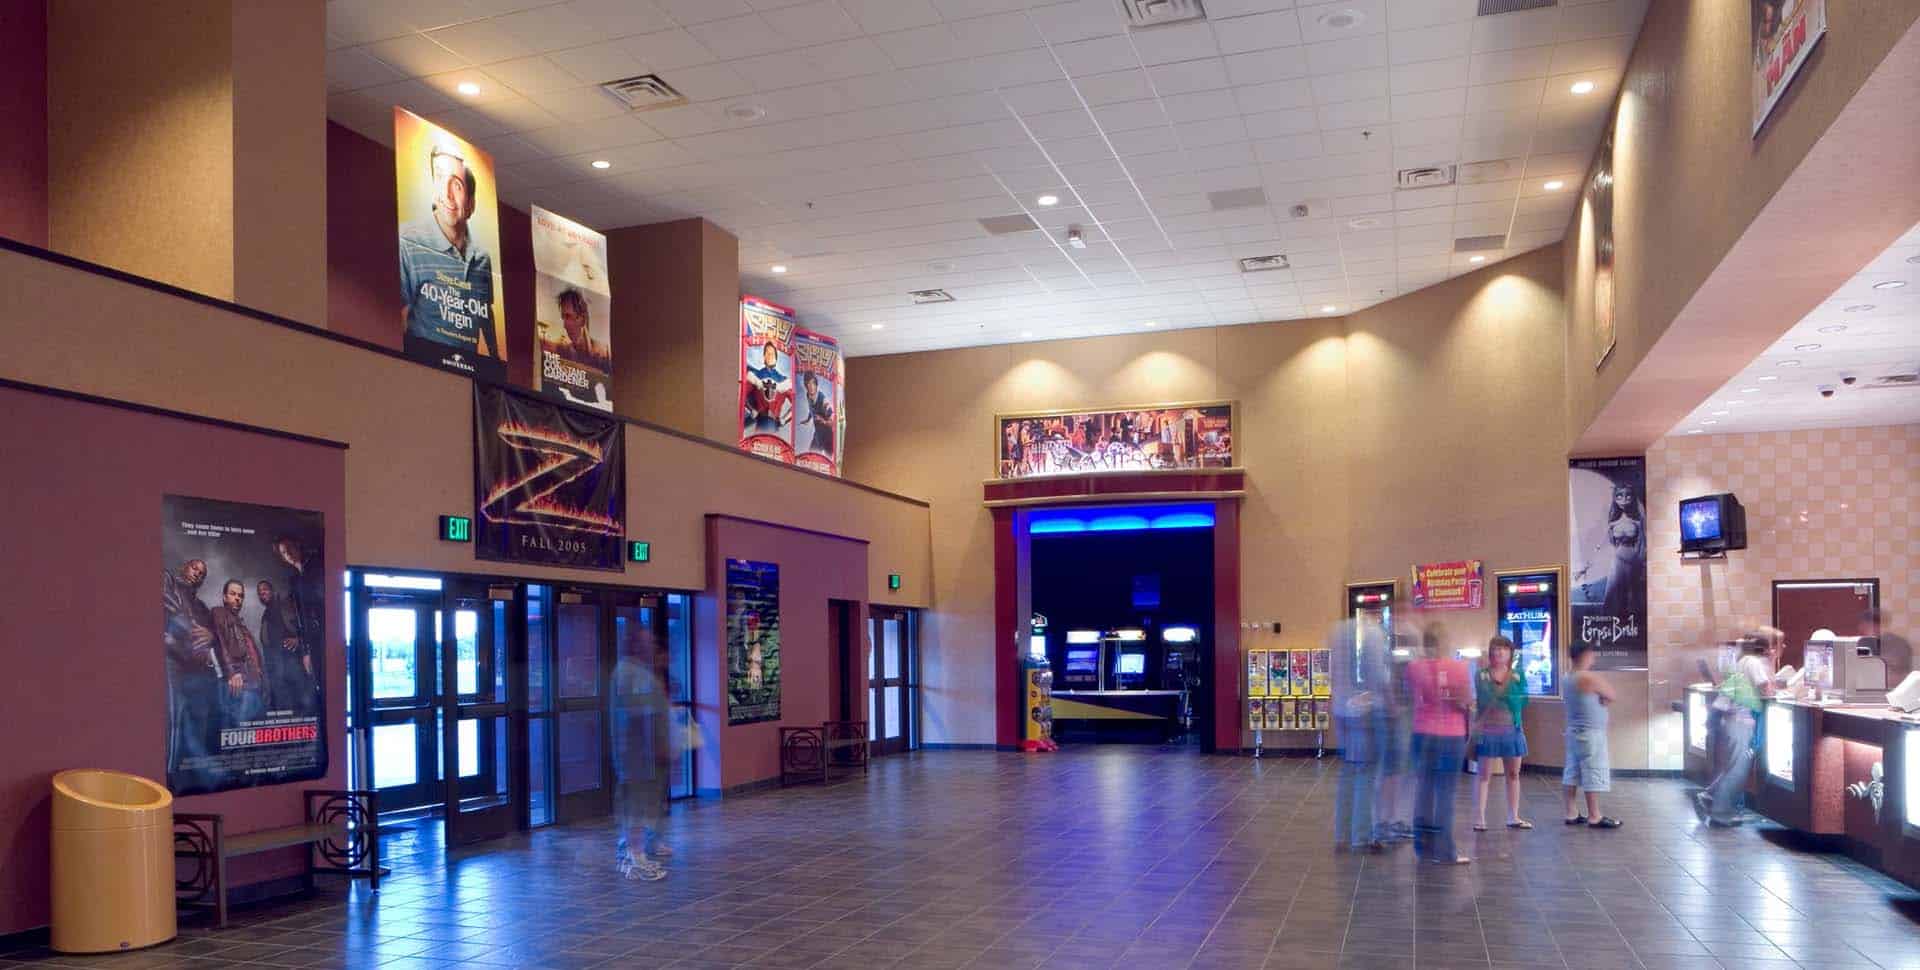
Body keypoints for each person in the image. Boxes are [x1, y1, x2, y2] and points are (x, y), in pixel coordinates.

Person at [399, 146, 498, 359]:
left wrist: (495, 363)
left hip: (465, 377)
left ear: (471, 204)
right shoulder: (408, 241)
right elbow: (399, 318)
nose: (447, 193)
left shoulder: (482, 259)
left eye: (457, 185)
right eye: (440, 177)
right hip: (423, 369)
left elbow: (484, 313)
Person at [1406, 625, 1472, 864]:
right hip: (1450, 736)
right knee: (1445, 793)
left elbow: (1410, 697)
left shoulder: (1414, 668)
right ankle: (1445, 851)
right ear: (1445, 641)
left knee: (1423, 791)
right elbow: (1464, 701)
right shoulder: (1459, 668)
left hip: (1421, 733)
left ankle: (1422, 848)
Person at [611, 620, 671, 881]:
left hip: (642, 751)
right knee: (635, 803)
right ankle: (635, 857)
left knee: (641, 801)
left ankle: (635, 852)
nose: (652, 648)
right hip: (636, 752)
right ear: (635, 645)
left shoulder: (641, 672)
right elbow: (637, 713)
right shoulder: (629, 674)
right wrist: (656, 743)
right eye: (647, 644)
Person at [1697, 634, 1776, 826]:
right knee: (1739, 769)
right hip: (1741, 720)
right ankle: (1720, 812)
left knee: (1733, 765)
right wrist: (1772, 665)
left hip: (1731, 718)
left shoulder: (1742, 662)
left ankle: (1710, 795)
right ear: (1764, 650)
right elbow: (1765, 687)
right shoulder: (1754, 663)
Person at [1331, 619, 1388, 852]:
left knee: (1348, 773)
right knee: (1365, 774)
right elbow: (1376, 676)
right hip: (1364, 713)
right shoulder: (1373, 634)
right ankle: (1361, 836)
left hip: (1342, 712)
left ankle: (1342, 834)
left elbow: (1334, 674)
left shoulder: (1339, 631)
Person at [164, 559, 221, 777]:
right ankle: (171, 775)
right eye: (194, 568)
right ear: (183, 567)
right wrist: (189, 631)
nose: (198, 573)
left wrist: (212, 636)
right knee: (175, 718)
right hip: (174, 661)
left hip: (199, 671)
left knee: (201, 719)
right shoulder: (168, 580)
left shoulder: (202, 607)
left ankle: (194, 774)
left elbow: (215, 637)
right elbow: (168, 607)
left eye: (202, 573)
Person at [1472, 635, 1532, 831]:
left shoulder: (1518, 675)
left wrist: (1510, 693)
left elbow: (1523, 701)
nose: (1500, 652)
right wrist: (1507, 694)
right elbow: (1484, 698)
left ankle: (1513, 816)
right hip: (1487, 730)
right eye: (1496, 648)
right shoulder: (1481, 675)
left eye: (1504, 649)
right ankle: (1480, 817)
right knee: (1483, 775)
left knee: (1514, 774)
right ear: (1490, 652)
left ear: (1510, 653)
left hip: (1512, 729)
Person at [1562, 641, 1621, 828]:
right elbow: (1612, 694)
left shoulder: (1567, 677)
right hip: (1590, 734)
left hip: (1574, 732)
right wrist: (1602, 697)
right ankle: (1594, 815)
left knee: (1572, 772)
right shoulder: (1587, 677)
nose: (1594, 658)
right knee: (1592, 772)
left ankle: (1571, 813)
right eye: (1592, 654)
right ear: (1585, 655)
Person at [208, 579, 268, 724]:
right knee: (238, 731)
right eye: (233, 594)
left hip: (253, 684)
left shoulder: (240, 623)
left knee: (251, 732)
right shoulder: (218, 613)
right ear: (224, 597)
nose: (237, 598)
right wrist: (231, 673)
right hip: (238, 683)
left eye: (240, 596)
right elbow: (219, 643)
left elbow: (252, 653)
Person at [257, 580, 315, 716]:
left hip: (294, 663)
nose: (262, 593)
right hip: (276, 669)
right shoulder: (265, 614)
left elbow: (309, 626)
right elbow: (266, 643)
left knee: (301, 701)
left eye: (264, 589)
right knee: (282, 704)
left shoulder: (286, 605)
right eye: (259, 592)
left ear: (272, 591)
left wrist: (299, 641)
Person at [543, 289, 610, 370]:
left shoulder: (604, 353)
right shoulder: (564, 352)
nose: (565, 325)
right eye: (563, 318)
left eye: (568, 316)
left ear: (582, 319)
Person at [1859, 608, 1913, 688]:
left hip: (1894, 689)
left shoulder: (1899, 644)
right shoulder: (1861, 643)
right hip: (1868, 688)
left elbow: (1901, 670)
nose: (1873, 628)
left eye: (1876, 624)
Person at [801, 372, 835, 456]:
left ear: (816, 384)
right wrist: (807, 419)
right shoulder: (808, 395)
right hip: (818, 435)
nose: (811, 386)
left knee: (829, 460)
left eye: (813, 383)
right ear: (806, 385)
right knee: (810, 457)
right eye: (808, 383)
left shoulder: (823, 400)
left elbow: (832, 421)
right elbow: (812, 409)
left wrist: (823, 421)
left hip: (828, 436)